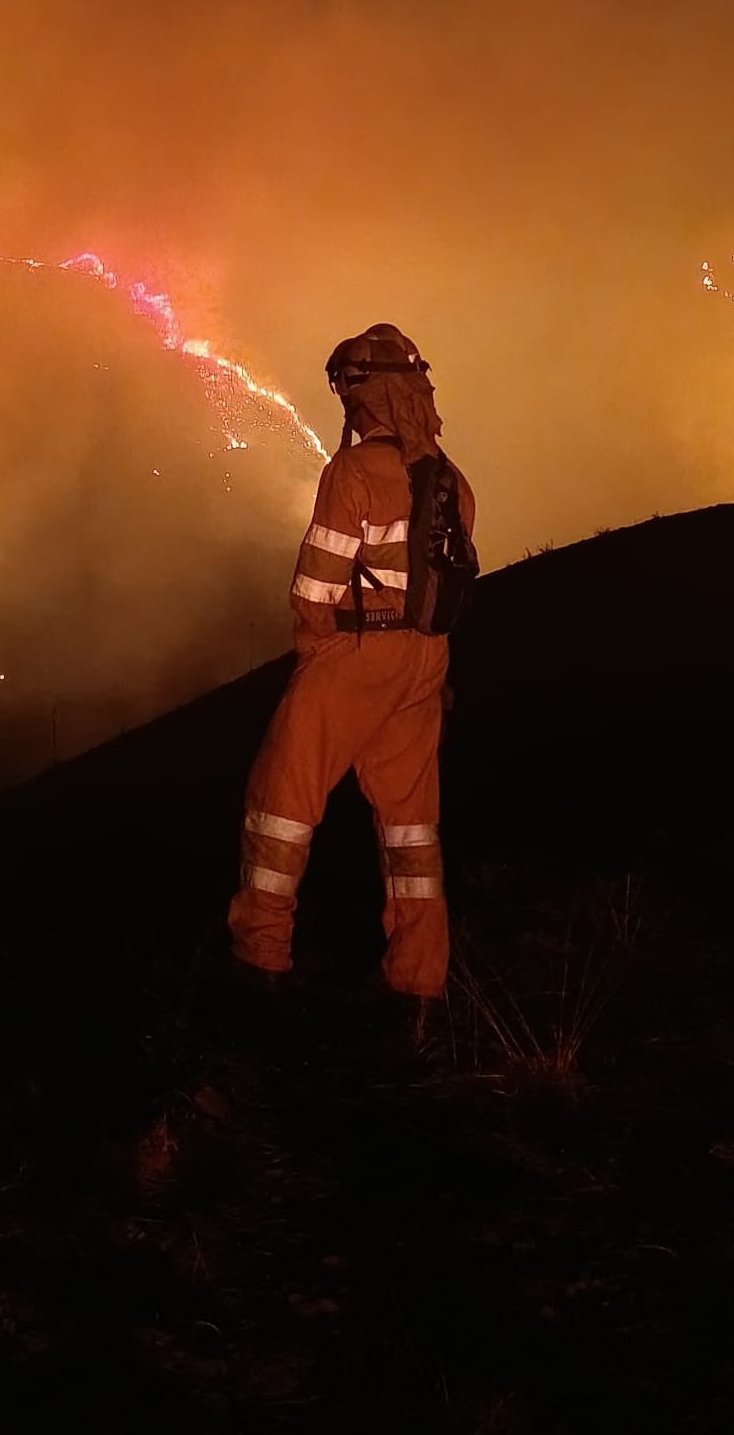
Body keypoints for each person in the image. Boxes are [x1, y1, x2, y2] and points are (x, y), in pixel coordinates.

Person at [227, 324, 477, 1003]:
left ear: (364, 391)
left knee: (280, 802)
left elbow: (315, 589)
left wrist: (317, 657)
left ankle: (260, 961)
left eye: (346, 386)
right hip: (427, 660)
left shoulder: (355, 472)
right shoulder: (452, 480)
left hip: (356, 651)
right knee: (411, 829)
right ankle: (420, 982)